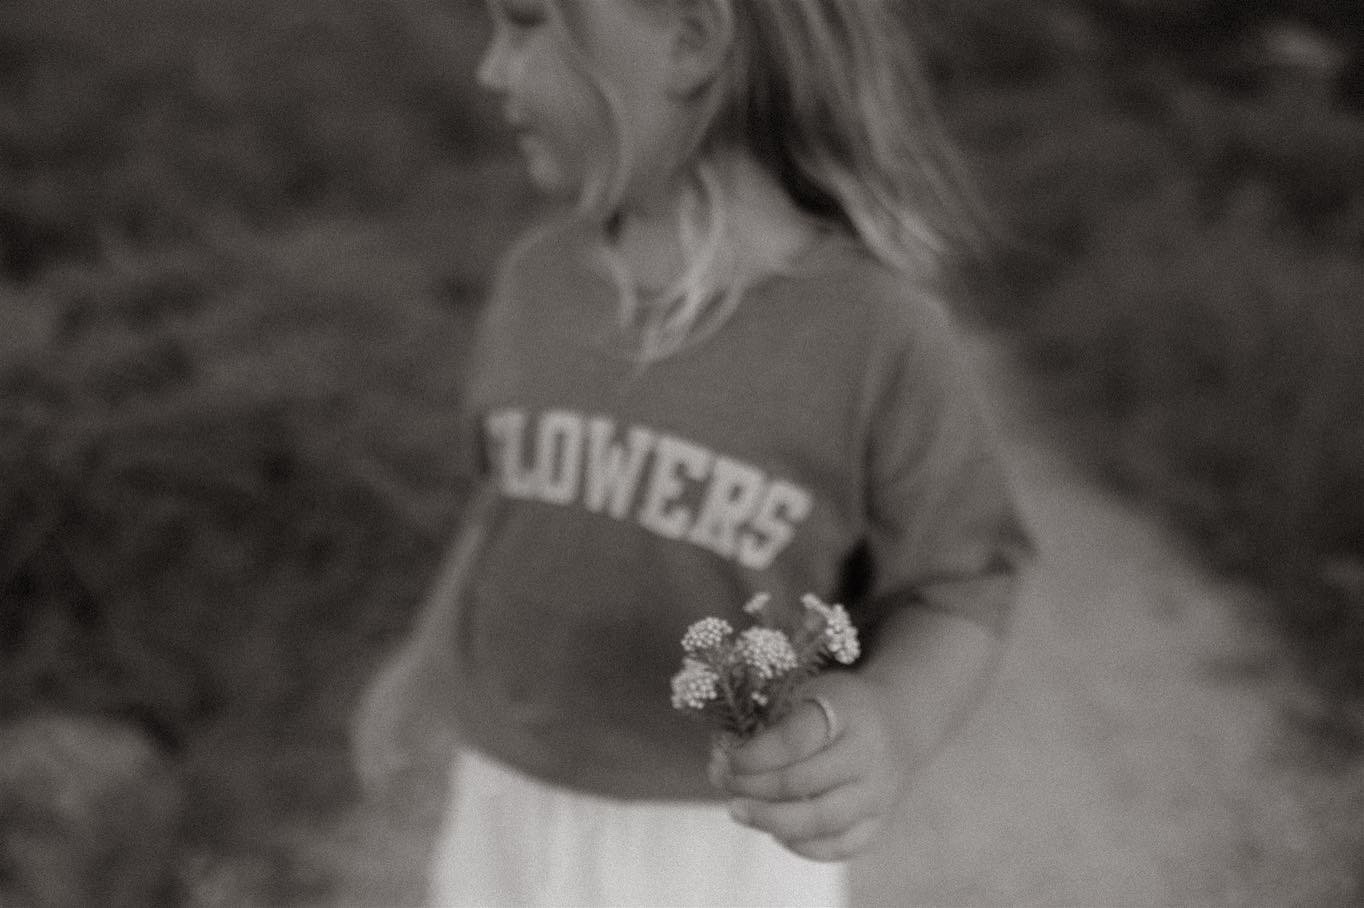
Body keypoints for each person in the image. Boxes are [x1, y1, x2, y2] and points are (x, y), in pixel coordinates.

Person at [353, 0, 1033, 905]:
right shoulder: (536, 281)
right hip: (502, 806)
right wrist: (423, 658)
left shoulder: (879, 333)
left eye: (524, 23)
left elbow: (962, 582)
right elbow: (499, 510)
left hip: (723, 840)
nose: (491, 68)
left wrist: (894, 722)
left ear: (692, 39)